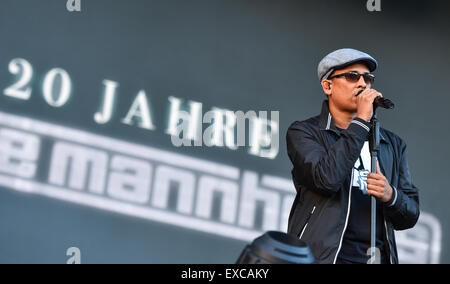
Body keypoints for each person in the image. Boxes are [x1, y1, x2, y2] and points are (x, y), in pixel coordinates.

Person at [286, 48, 420, 264]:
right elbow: (326, 179)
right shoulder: (305, 132)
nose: (362, 84)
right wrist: (361, 120)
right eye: (352, 76)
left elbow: (411, 214)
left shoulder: (392, 144)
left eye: (367, 78)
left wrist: (391, 195)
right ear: (327, 86)